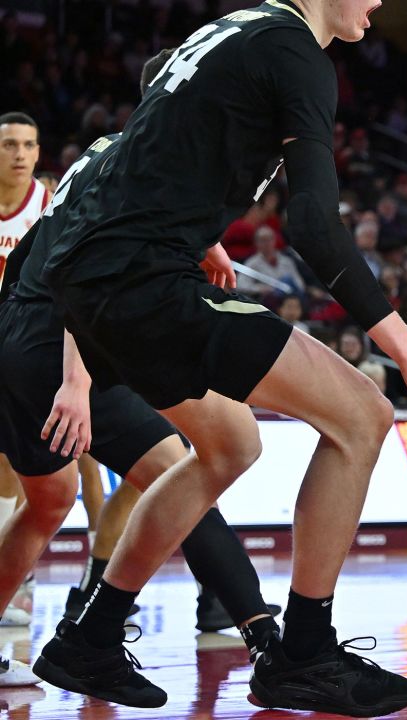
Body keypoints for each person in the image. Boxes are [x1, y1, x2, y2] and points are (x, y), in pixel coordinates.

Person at [34, 2, 407, 714]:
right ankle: (304, 651)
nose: (381, 3)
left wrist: (192, 219)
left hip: (90, 276)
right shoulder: (299, 52)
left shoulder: (233, 27)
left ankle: (92, 635)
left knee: (230, 444)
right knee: (364, 414)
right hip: (141, 279)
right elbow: (314, 224)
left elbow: (157, 88)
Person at [0, 49, 287, 692]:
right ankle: (263, 635)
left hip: (18, 335)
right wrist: (75, 381)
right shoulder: (152, 162)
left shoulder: (112, 149)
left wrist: (201, 241)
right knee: (182, 469)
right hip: (59, 341)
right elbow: (77, 264)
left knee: (48, 504)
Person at [0, 111, 51, 629]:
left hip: (34, 349)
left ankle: (21, 580)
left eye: (28, 145)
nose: (19, 154)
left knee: (28, 472)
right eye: (9, 144)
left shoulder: (48, 204)